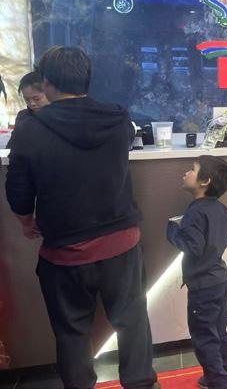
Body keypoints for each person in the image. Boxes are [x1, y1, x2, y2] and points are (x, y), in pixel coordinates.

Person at [5, 46, 158, 389]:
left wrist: (26, 223)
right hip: (122, 245)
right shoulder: (118, 119)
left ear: (47, 83)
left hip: (65, 254)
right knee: (132, 323)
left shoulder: (30, 129)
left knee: (72, 333)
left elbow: (17, 191)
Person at [167, 155, 227, 389]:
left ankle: (218, 381)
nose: (186, 173)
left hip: (202, 286)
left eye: (192, 169)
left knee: (204, 335)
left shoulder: (195, 212)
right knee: (218, 330)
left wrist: (173, 230)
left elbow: (193, 247)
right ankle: (226, 373)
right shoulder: (222, 209)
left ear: (205, 181)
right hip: (220, 279)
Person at [6, 71, 50, 149]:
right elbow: (12, 145)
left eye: (37, 99)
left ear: (50, 93)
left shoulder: (59, 117)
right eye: (27, 99)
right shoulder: (23, 117)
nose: (32, 103)